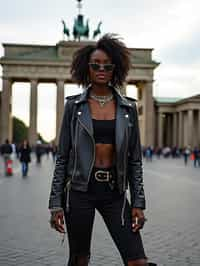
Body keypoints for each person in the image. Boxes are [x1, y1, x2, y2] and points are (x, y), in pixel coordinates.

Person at [49, 34, 153, 266]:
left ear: (116, 68)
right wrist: (55, 203)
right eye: (96, 65)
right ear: (87, 68)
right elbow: (62, 157)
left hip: (114, 192)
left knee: (137, 260)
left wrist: (138, 203)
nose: (101, 69)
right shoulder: (73, 106)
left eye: (107, 65)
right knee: (80, 259)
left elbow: (135, 160)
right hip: (79, 191)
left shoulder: (128, 108)